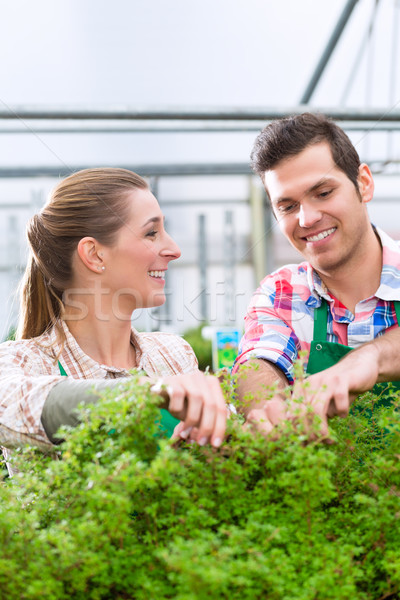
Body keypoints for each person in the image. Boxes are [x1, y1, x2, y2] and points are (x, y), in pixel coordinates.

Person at [0, 168, 227, 474]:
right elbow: (14, 406)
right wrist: (148, 394)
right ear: (94, 255)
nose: (174, 249)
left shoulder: (173, 355)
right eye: (151, 233)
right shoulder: (23, 362)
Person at [233, 112, 400, 434]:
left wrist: (369, 359)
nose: (307, 219)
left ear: (363, 183)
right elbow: (260, 358)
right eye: (288, 206)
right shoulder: (280, 290)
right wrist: (265, 410)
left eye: (323, 193)